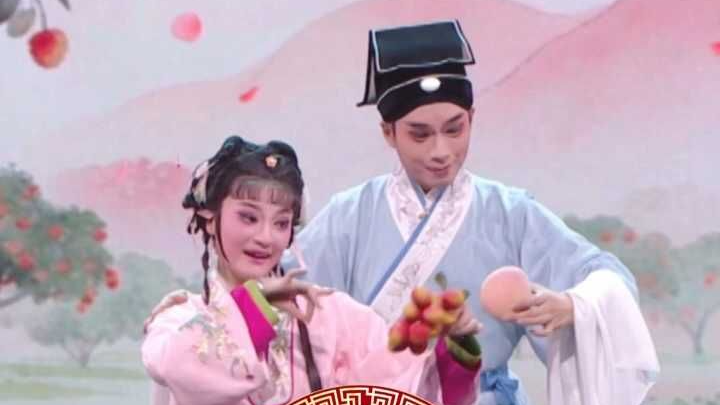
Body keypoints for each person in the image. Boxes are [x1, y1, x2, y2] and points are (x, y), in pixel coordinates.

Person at [141, 136, 483, 405]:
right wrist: (254, 303)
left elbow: (398, 390)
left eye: (281, 223)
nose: (266, 237)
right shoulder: (179, 319)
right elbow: (183, 368)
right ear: (209, 218)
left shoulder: (330, 315)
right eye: (248, 217)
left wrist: (452, 349)